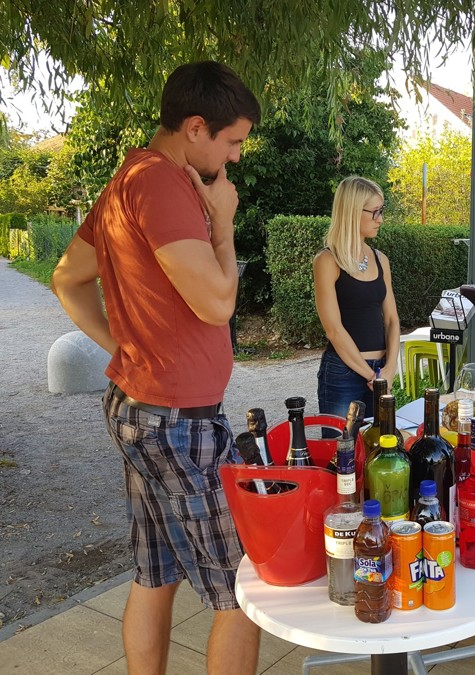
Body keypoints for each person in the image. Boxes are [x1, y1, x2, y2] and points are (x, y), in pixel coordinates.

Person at [52, 61, 262, 674]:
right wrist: (223, 223)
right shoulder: (162, 184)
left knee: (156, 573)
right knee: (244, 589)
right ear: (196, 128)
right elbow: (218, 303)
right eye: (233, 141)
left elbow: (66, 277)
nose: (236, 157)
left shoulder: (129, 179)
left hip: (148, 410)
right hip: (177, 423)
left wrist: (124, 346)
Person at [314, 176, 400, 419]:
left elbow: (392, 319)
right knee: (342, 442)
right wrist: (371, 375)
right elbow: (333, 330)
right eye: (375, 212)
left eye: (381, 211)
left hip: (380, 371)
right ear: (352, 212)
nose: (380, 219)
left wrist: (390, 368)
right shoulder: (327, 261)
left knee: (382, 441)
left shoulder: (381, 259)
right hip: (343, 373)